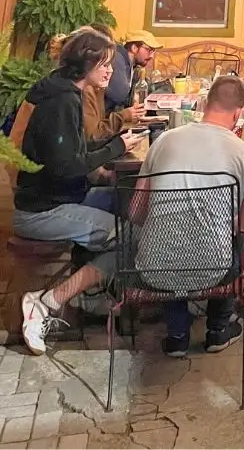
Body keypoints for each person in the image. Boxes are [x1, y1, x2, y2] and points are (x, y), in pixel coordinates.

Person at [18, 30, 143, 355]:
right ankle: (47, 302)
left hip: (57, 197)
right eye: (104, 64)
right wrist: (116, 147)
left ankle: (92, 295)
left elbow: (71, 151)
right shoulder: (62, 101)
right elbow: (67, 166)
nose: (110, 70)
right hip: (42, 209)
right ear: (86, 63)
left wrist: (108, 160)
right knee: (132, 239)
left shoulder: (65, 91)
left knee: (125, 203)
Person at [132, 75, 244, 356]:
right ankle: (217, 330)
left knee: (167, 234)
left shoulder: (164, 140)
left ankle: (177, 335)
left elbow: (136, 212)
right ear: (239, 113)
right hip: (215, 270)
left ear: (204, 104)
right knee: (236, 241)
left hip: (154, 268)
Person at [105, 29, 161, 112]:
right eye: (149, 50)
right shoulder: (118, 60)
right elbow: (119, 96)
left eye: (153, 51)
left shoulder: (130, 64)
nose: (152, 56)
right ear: (134, 48)